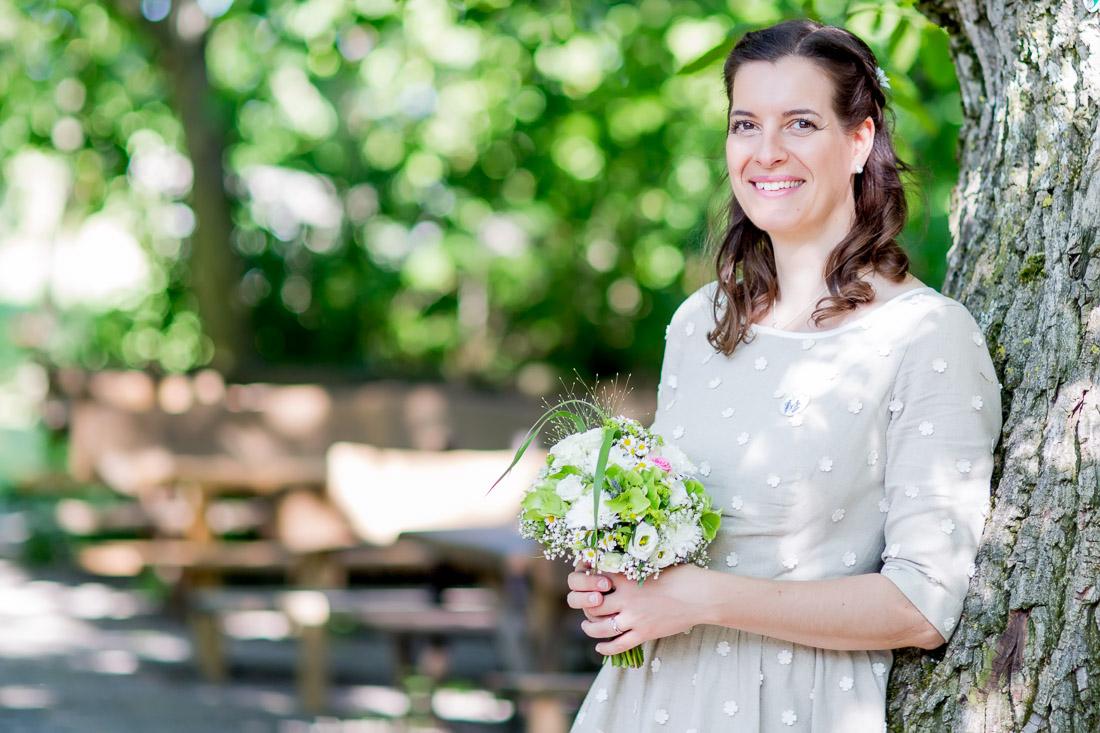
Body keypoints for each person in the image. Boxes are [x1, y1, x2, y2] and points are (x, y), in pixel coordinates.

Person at [565, 18, 1003, 732]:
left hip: (793, 708)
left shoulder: (925, 336)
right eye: (746, 124)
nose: (766, 152)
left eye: (800, 123)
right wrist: (621, 576)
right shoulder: (698, 322)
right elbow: (679, 544)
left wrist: (702, 598)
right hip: (643, 704)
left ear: (858, 140)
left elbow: (923, 605)